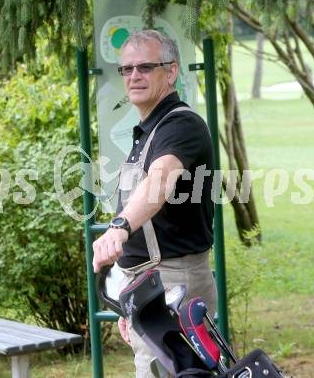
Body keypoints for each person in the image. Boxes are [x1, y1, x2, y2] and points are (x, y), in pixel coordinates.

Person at [92, 29, 217, 377]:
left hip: (175, 281)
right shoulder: (149, 130)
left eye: (145, 67)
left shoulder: (182, 125)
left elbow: (159, 182)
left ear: (171, 71)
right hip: (148, 285)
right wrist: (128, 304)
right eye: (127, 69)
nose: (134, 76)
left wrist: (118, 226)